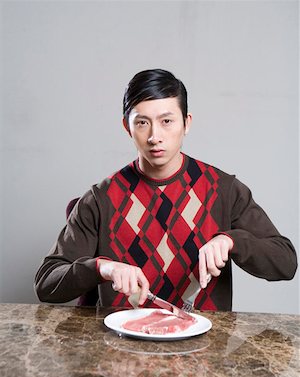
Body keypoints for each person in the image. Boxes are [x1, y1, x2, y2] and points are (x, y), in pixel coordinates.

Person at [34, 69, 297, 310]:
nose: (154, 136)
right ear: (127, 127)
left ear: (186, 123)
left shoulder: (224, 190)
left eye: (167, 121)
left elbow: (286, 263)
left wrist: (233, 241)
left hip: (204, 350)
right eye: (142, 122)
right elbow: (46, 283)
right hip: (121, 350)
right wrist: (102, 267)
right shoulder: (100, 198)